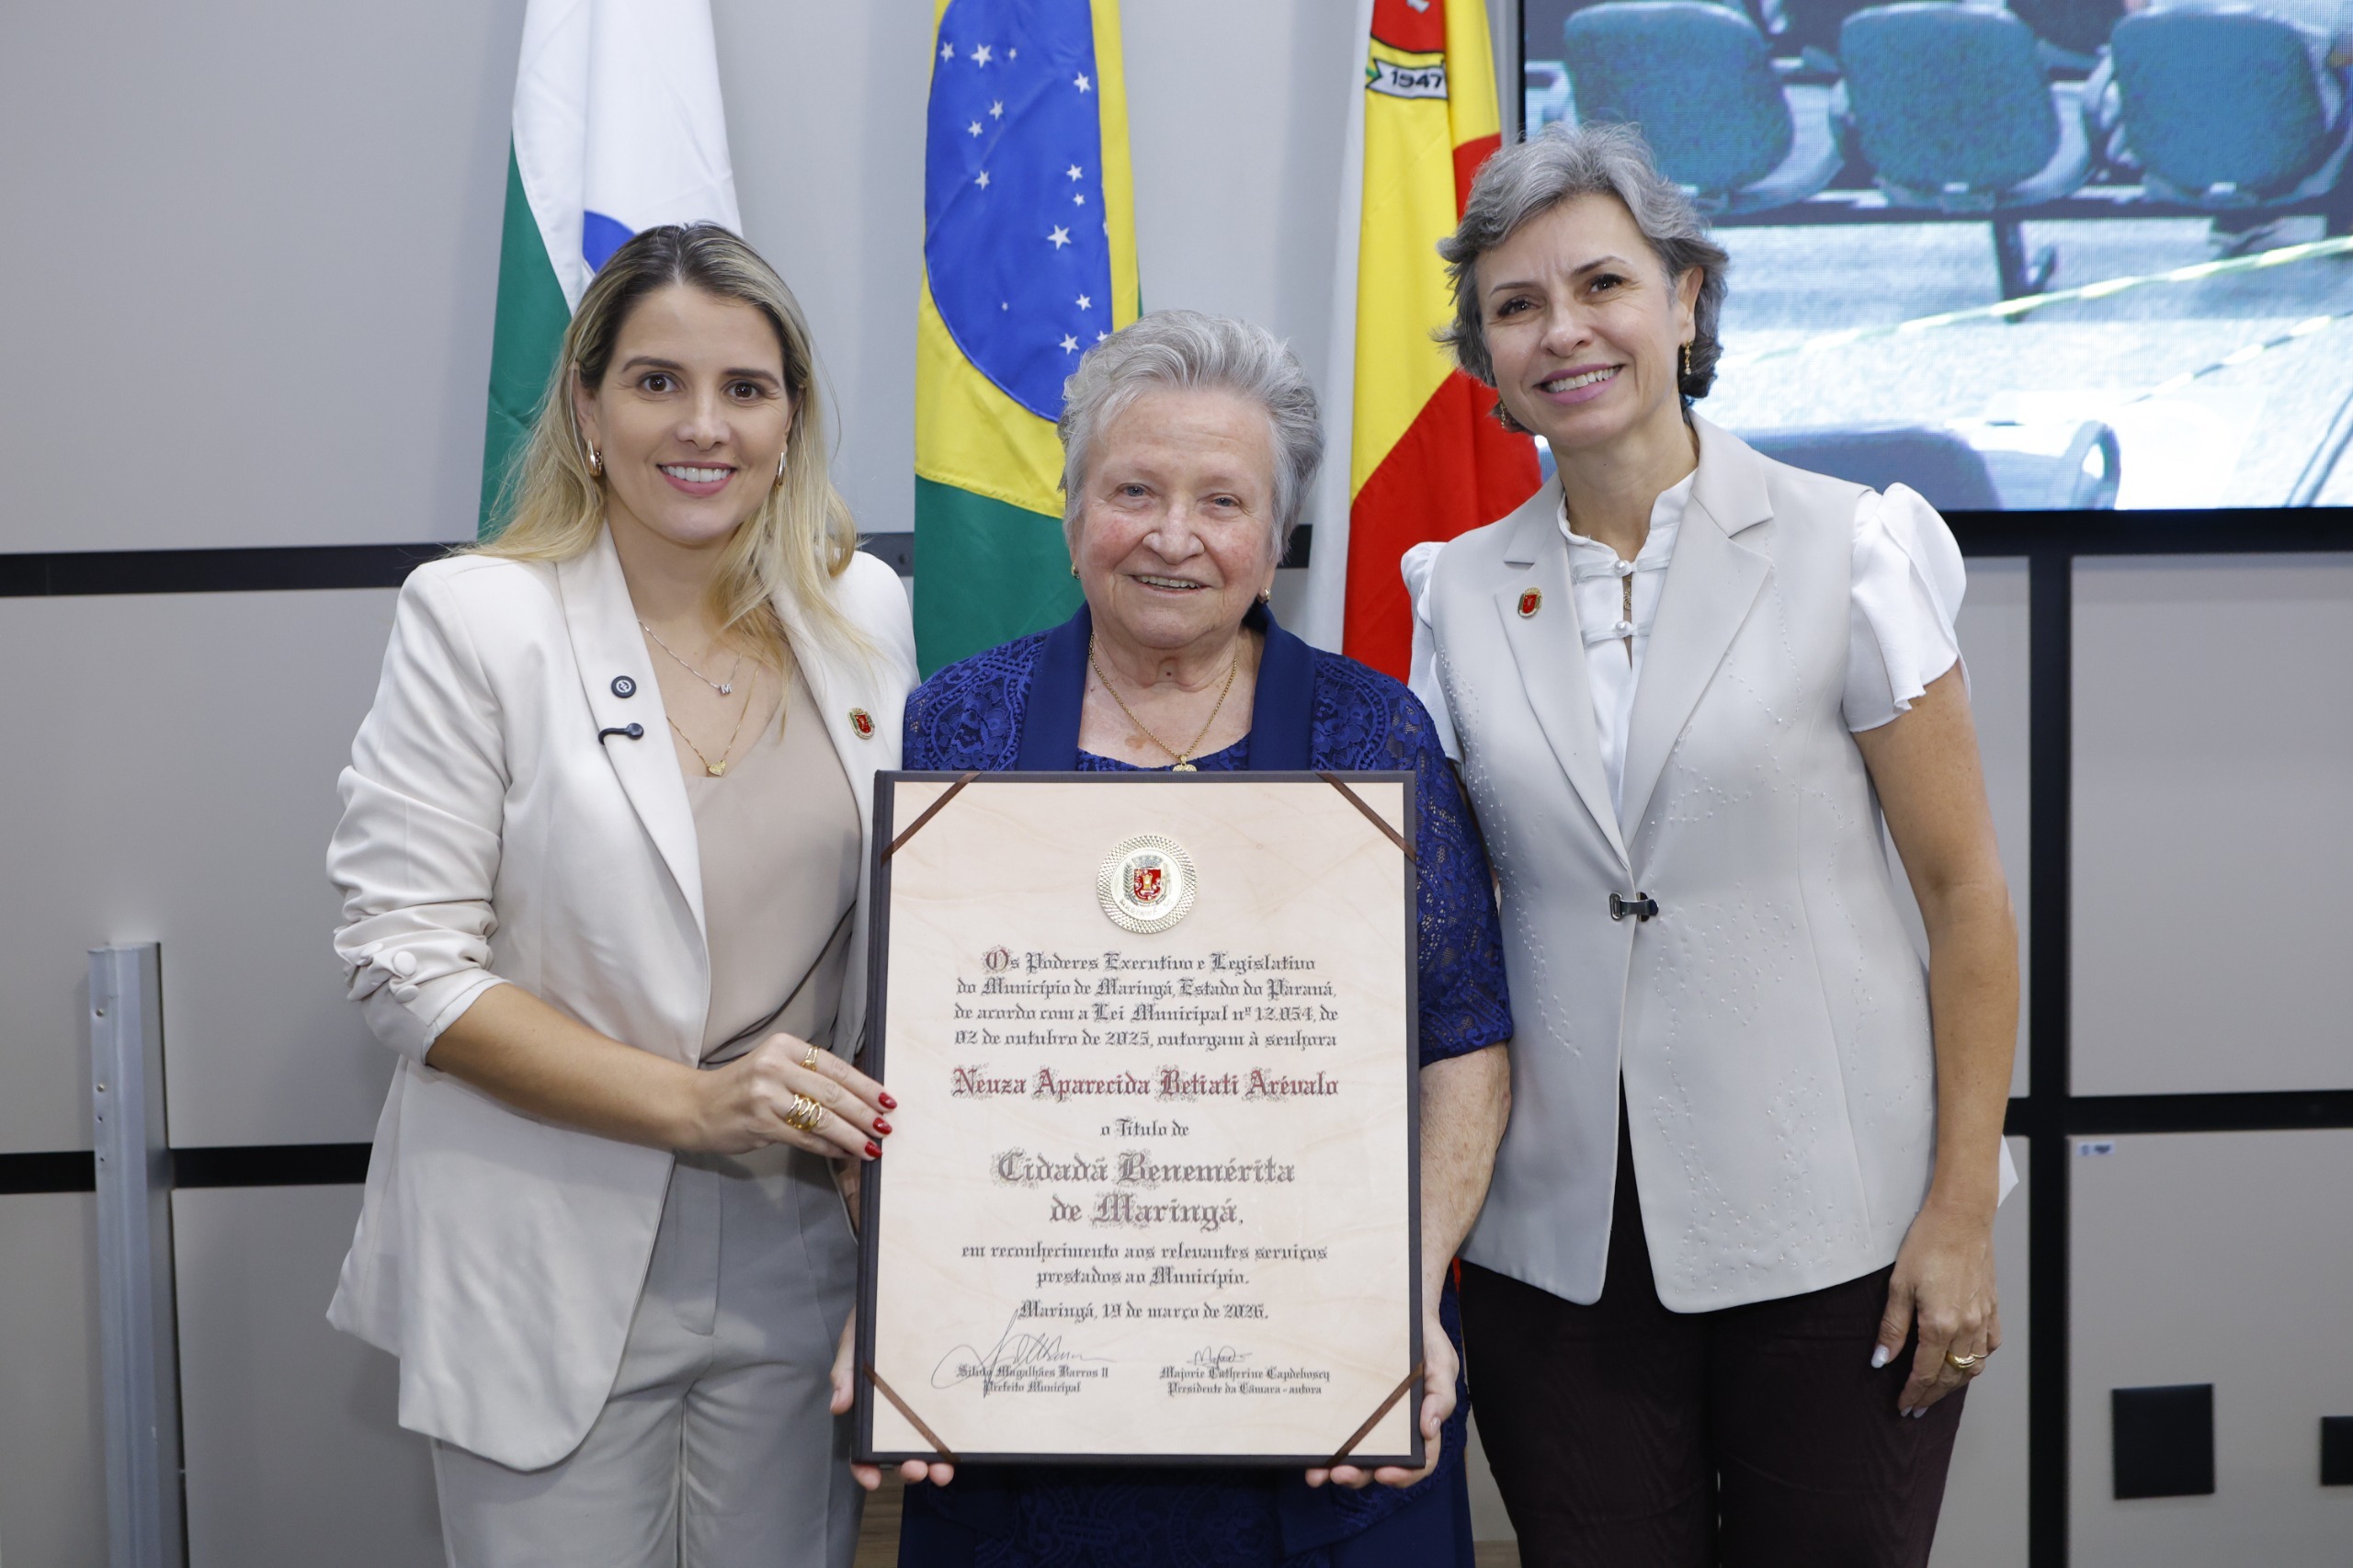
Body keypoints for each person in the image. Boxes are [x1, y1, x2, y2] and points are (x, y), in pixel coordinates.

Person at [1404, 123, 2020, 1566]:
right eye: (1516, 304)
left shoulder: (1855, 546)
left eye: (1602, 284)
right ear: (1483, 355)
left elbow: (1966, 895)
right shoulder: (1450, 593)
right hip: (1554, 1253)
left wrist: (1961, 1209)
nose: (1564, 331)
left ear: (1688, 299)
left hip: (1842, 1232)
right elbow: (1436, 926)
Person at [875, 310, 1515, 1567]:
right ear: (1071, 513)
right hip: (1020, 1399)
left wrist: (1407, 1286)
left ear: (1274, 539)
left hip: (1318, 1401)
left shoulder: (1370, 731)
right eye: (1133, 490)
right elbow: (908, 1055)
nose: (1173, 535)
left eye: (1222, 499)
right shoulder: (963, 722)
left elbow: (1465, 1038)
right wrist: (901, 1304)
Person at [325, 223, 917, 1567]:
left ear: (792, 419)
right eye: (657, 381)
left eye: (745, 388)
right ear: (587, 406)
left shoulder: (862, 607)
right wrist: (694, 1103)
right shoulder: (478, 618)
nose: (701, 425)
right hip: (544, 1236)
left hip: (794, 1244)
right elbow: (401, 959)